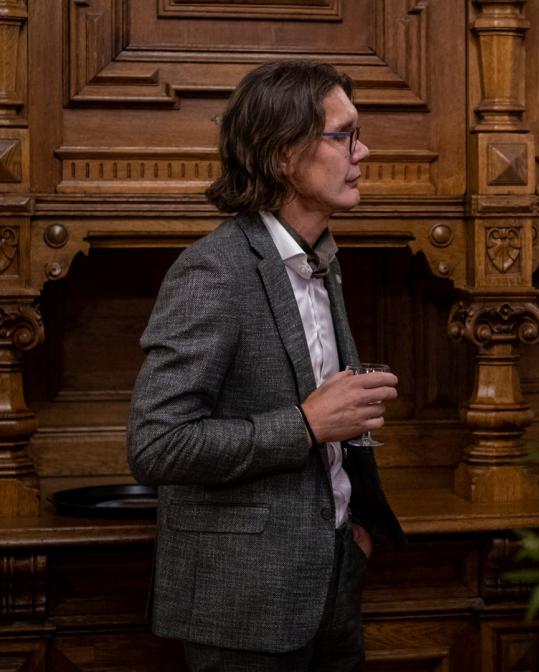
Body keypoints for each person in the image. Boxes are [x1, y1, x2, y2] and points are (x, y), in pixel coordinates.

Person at [127, 60, 404, 672]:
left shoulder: (321, 259)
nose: (363, 151)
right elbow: (157, 445)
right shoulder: (213, 271)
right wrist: (306, 425)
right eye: (344, 135)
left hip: (333, 580)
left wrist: (351, 531)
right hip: (243, 606)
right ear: (283, 155)